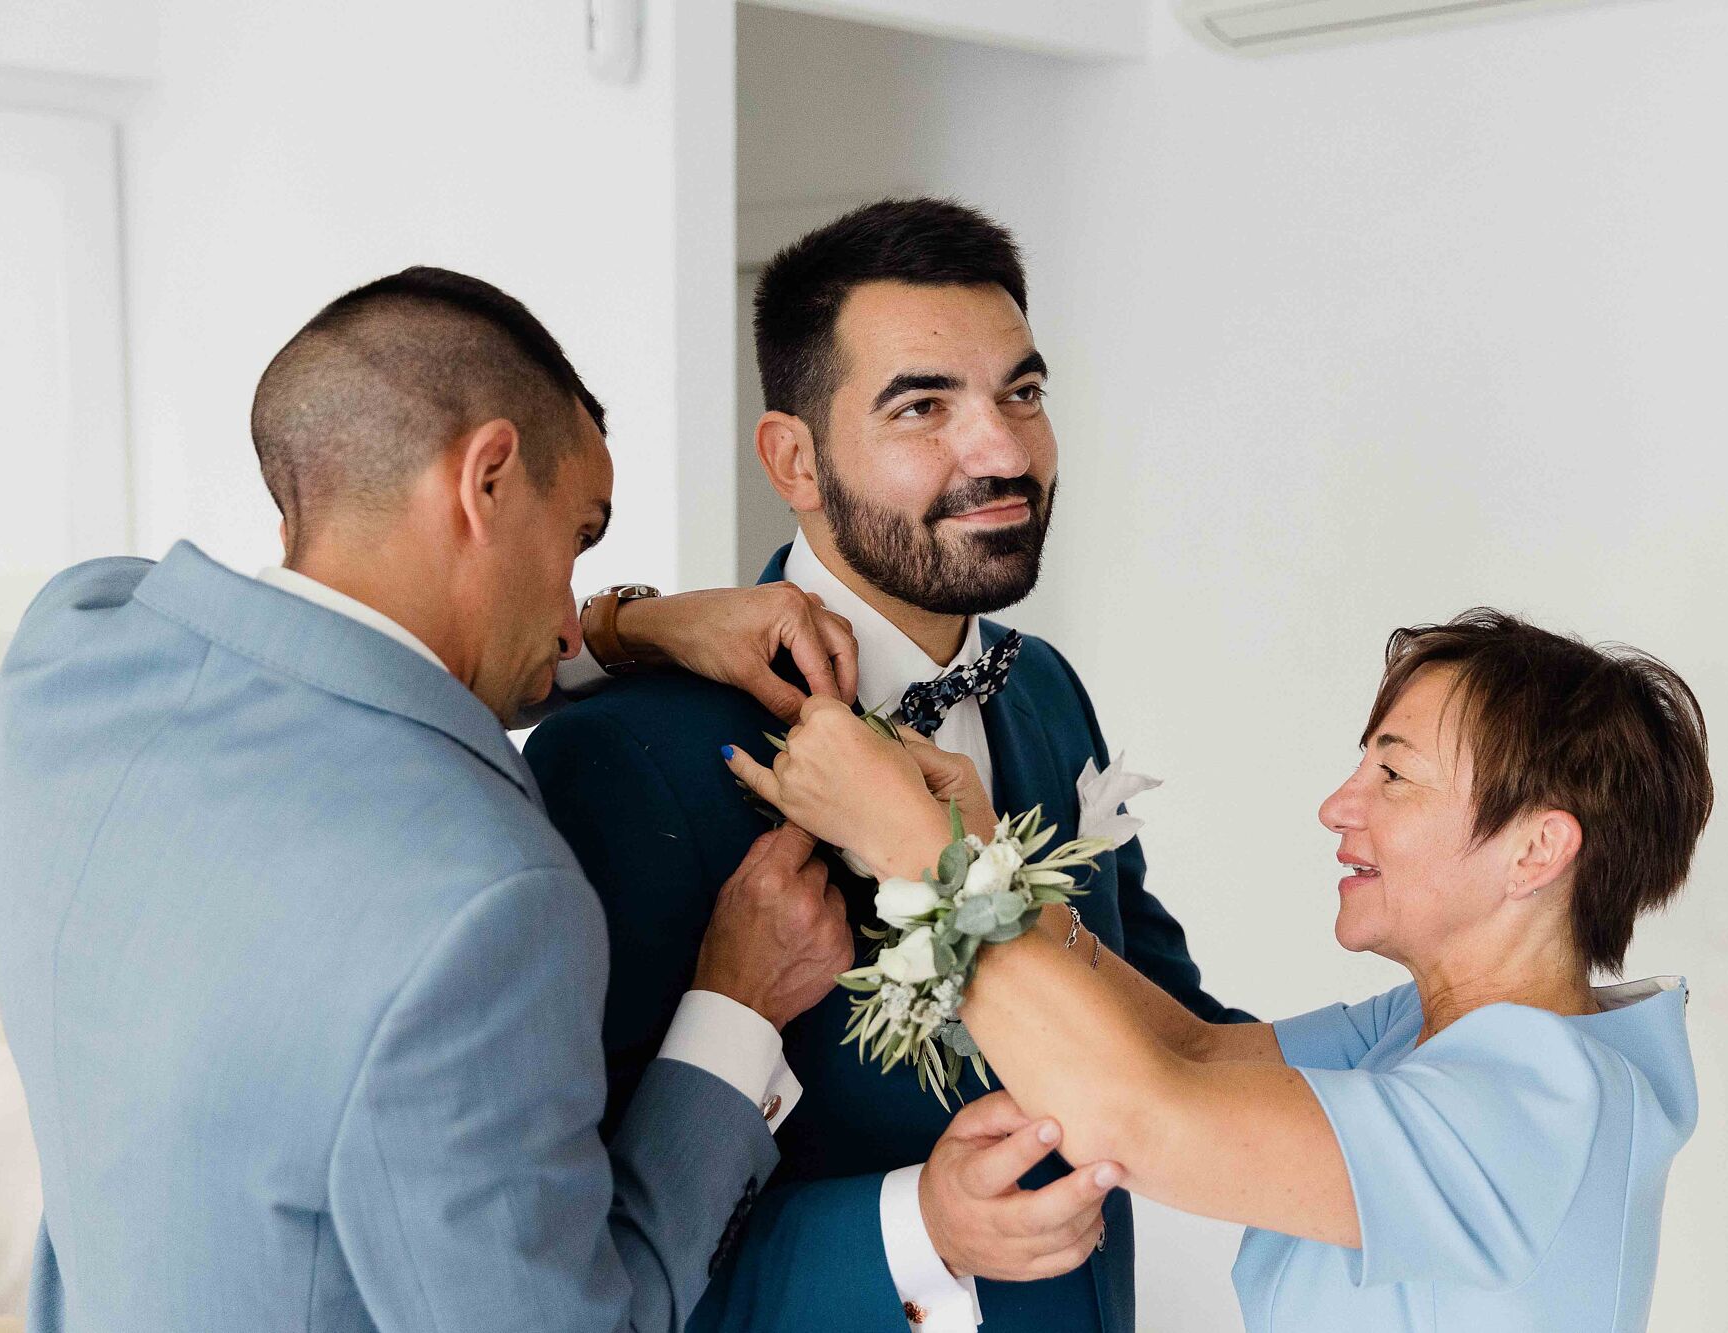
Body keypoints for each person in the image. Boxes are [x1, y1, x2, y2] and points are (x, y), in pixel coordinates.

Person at [0, 266, 862, 1332]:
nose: (572, 614)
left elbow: (331, 656)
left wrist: (632, 630)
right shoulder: (489, 901)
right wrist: (739, 1007)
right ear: (486, 476)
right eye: (581, 533)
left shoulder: (74, 644)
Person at [524, 198, 1254, 1333]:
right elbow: (586, 1251)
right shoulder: (627, 753)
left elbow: (1165, 1024)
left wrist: (1448, 1025)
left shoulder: (1047, 689)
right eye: (925, 405)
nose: (1004, 450)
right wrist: (920, 1228)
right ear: (794, 460)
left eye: (1022, 391)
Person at [738, 609, 1711, 1333]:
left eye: (1392, 774)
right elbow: (1189, 1048)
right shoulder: (1427, 1030)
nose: (1337, 805)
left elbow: (1136, 1113)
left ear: (1536, 850)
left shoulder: (1532, 1101)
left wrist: (914, 850)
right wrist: (987, 859)